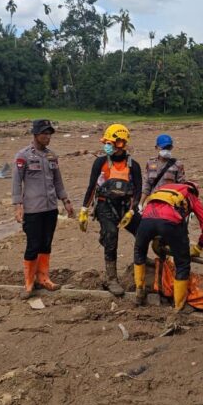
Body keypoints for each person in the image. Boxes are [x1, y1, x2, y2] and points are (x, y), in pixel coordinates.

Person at [12, 119, 74, 299]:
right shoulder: (23, 156)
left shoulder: (51, 156)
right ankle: (29, 282)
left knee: (46, 244)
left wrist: (66, 200)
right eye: (44, 134)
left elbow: (58, 181)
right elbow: (17, 183)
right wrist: (18, 206)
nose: (48, 137)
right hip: (32, 209)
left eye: (49, 134)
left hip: (50, 208)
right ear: (35, 135)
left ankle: (43, 278)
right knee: (33, 245)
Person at [78, 124, 142, 297]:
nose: (107, 145)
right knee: (112, 235)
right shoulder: (100, 162)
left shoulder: (133, 166)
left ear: (120, 143)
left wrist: (131, 211)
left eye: (110, 142)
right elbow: (92, 187)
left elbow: (138, 191)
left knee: (142, 231)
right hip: (105, 205)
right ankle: (111, 278)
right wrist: (84, 209)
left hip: (125, 207)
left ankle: (141, 268)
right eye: (106, 142)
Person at [132, 181, 203, 314]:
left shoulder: (163, 189)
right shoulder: (191, 196)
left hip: (146, 220)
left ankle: (139, 291)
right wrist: (198, 247)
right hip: (170, 222)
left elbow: (155, 213)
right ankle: (179, 305)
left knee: (139, 251)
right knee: (182, 262)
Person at [140, 134, 185, 206]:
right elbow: (146, 185)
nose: (166, 150)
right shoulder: (150, 163)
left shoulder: (177, 165)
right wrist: (140, 204)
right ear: (156, 147)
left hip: (170, 203)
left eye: (168, 147)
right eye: (163, 148)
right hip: (153, 201)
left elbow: (182, 186)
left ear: (172, 147)